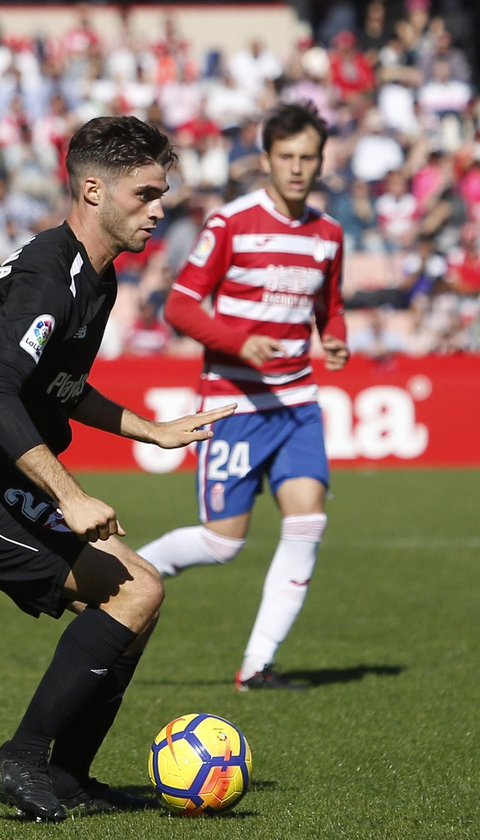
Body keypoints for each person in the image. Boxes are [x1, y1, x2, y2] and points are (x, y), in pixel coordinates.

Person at [0, 117, 234, 822]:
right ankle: (22, 757)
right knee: (136, 591)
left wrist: (146, 429)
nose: (160, 208)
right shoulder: (44, 277)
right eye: (147, 192)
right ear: (93, 189)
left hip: (7, 482)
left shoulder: (95, 279)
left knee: (140, 595)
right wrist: (71, 494)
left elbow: (58, 386)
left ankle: (68, 776)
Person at [138, 103, 350, 691]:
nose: (298, 168)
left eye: (309, 157)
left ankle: (257, 666)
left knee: (307, 522)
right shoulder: (232, 223)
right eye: (287, 157)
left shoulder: (329, 234)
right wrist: (239, 342)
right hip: (235, 403)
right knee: (220, 543)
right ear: (266, 160)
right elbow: (180, 304)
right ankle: (126, 571)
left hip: (297, 403)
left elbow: (329, 306)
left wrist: (334, 340)